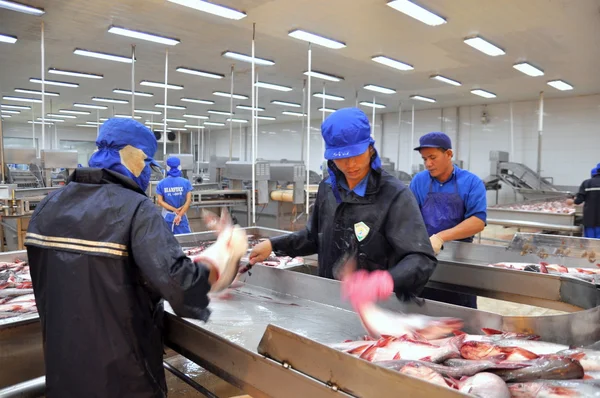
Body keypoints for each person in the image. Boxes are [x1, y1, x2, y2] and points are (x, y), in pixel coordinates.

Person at [24, 118, 247, 398]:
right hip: (124, 381)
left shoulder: (47, 207)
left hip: (63, 377)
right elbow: (184, 290)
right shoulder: (137, 210)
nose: (148, 174)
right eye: (147, 164)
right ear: (133, 157)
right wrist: (225, 253)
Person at [249, 107, 437, 308]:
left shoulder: (395, 195)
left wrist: (384, 281)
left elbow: (421, 258)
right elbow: (313, 238)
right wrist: (274, 244)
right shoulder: (328, 188)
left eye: (357, 154)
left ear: (370, 148)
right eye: (341, 157)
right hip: (329, 301)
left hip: (377, 308)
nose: (350, 164)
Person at [409, 132, 486, 309]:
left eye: (433, 157)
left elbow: (477, 221)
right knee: (425, 312)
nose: (428, 163)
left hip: (460, 261)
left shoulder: (471, 182)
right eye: (424, 159)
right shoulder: (419, 181)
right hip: (425, 258)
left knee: (461, 315)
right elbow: (409, 216)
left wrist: (441, 237)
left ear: (449, 154)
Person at [156, 156, 194, 234]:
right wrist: (179, 214)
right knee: (185, 241)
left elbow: (159, 201)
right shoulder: (186, 182)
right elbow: (188, 201)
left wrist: (174, 210)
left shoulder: (161, 183)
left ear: (167, 168)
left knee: (166, 241)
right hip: (181, 216)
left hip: (167, 217)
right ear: (179, 167)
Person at [566, 166, 600, 238]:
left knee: (590, 241)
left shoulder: (587, 183)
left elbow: (578, 201)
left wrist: (571, 201)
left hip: (590, 218)